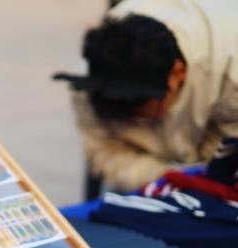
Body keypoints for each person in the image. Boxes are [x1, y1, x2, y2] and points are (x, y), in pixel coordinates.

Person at [54, 0, 238, 192]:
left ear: (178, 74)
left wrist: (202, 178)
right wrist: (169, 177)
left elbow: (228, 155)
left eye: (137, 109)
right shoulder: (92, 82)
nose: (129, 118)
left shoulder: (231, 74)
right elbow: (105, 152)